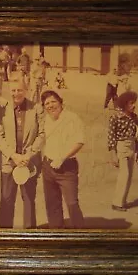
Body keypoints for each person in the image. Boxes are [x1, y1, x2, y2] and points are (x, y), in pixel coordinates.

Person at [0, 80, 44, 229]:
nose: (16, 93)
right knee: (6, 199)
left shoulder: (36, 108)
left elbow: (42, 134)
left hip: (28, 162)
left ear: (26, 90)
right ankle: (4, 234)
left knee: (29, 199)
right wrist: (13, 155)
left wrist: (28, 155)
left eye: (19, 90)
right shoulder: (2, 108)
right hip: (9, 162)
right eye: (13, 90)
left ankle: (30, 234)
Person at [40, 90, 85, 229]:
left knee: (72, 203)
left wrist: (62, 158)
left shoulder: (72, 118)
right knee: (52, 203)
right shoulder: (44, 120)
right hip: (48, 166)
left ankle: (81, 236)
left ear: (61, 102)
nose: (50, 105)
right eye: (47, 103)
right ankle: (56, 234)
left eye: (53, 101)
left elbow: (79, 141)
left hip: (67, 167)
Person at [108, 91, 138, 211]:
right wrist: (113, 154)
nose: (134, 106)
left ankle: (122, 201)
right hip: (121, 147)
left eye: (134, 103)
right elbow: (111, 137)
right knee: (124, 175)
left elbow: (137, 136)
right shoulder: (115, 117)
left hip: (132, 147)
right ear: (124, 104)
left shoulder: (134, 117)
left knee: (129, 176)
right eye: (131, 103)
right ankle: (116, 203)